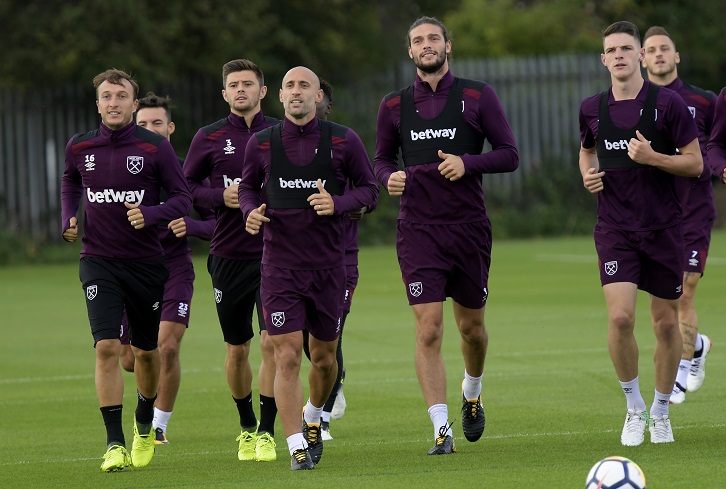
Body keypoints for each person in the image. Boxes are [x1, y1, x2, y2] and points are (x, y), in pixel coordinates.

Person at [373, 16, 519, 455]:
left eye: (433, 38)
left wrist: (467, 163)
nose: (426, 45)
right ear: (410, 51)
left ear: (448, 46)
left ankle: (471, 392)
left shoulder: (477, 95)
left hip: (469, 229)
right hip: (418, 232)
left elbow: (509, 154)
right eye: (418, 40)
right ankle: (441, 429)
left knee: (471, 329)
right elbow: (380, 159)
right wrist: (388, 178)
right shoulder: (393, 105)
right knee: (429, 329)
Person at [239, 66, 378, 470]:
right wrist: (249, 210)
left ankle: (314, 416)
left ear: (318, 96)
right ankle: (296, 443)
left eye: (305, 86)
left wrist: (338, 203)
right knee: (286, 357)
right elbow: (248, 187)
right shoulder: (261, 143)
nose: (297, 92)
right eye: (290, 87)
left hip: (328, 269)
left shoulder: (343, 140)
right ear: (279, 97)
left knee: (324, 359)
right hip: (279, 269)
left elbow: (370, 190)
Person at [61, 69, 192, 471]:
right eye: (106, 96)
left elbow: (183, 198)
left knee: (146, 355)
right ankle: (114, 443)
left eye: (121, 96)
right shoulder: (80, 146)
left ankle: (143, 422)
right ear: (97, 103)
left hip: (146, 265)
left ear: (133, 104)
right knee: (107, 348)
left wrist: (150, 214)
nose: (113, 102)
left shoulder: (154, 148)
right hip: (98, 261)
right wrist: (69, 216)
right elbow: (70, 180)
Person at [578, 21, 703, 446]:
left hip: (665, 228)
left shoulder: (667, 104)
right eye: (610, 49)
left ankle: (661, 410)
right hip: (615, 228)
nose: (618, 55)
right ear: (603, 59)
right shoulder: (591, 107)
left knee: (666, 324)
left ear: (640, 56)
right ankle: (633, 409)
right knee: (620, 317)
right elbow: (587, 149)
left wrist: (653, 157)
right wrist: (587, 176)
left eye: (626, 49)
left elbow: (695, 163)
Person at [183, 59, 279, 462]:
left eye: (248, 84)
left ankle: (269, 431)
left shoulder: (281, 133)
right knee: (237, 348)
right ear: (224, 93)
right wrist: (219, 197)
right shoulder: (208, 137)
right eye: (233, 85)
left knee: (274, 343)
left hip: (276, 256)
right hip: (227, 255)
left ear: (263, 91)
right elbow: (184, 188)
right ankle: (246, 427)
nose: (241, 90)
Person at [132, 92, 215, 443]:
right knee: (130, 357)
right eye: (142, 124)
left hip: (175, 269)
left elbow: (219, 223)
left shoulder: (187, 171)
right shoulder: (122, 169)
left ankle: (158, 425)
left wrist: (191, 226)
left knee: (167, 347)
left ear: (170, 127)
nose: (149, 129)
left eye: (156, 123)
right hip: (131, 269)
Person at [641, 26, 715, 404]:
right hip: (653, 216)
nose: (658, 54)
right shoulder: (634, 102)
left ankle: (682, 372)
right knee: (664, 302)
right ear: (642, 58)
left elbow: (717, 145)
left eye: (664, 48)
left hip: (694, 211)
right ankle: (697, 345)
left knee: (685, 290)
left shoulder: (704, 101)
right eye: (650, 49)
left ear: (677, 56)